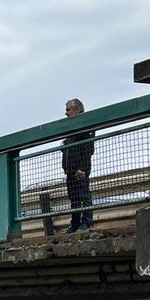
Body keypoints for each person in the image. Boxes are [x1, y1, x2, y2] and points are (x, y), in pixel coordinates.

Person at [62, 99, 94, 233]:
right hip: (70, 169)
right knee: (74, 198)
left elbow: (88, 149)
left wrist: (83, 169)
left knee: (83, 194)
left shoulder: (85, 125)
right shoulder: (70, 129)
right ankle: (75, 223)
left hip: (80, 168)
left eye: (68, 109)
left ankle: (86, 222)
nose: (66, 113)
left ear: (77, 110)